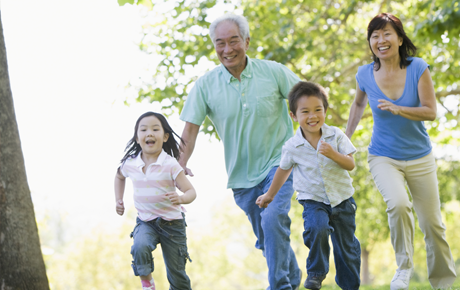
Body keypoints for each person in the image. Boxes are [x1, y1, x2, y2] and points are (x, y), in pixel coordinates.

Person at [177, 13, 301, 290]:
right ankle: (292, 276)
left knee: (272, 219)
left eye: (234, 41)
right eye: (220, 43)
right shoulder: (205, 86)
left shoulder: (274, 72)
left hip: (278, 164)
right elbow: (189, 131)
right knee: (267, 236)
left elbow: (307, 98)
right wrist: (178, 166)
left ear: (246, 41)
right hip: (241, 177)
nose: (227, 49)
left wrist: (318, 139)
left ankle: (279, 286)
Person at [345, 13, 457, 290]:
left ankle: (443, 283)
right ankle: (404, 268)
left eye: (386, 34)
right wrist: (346, 138)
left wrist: (400, 109)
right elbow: (358, 105)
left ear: (399, 38)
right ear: (370, 42)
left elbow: (430, 112)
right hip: (383, 156)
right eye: (374, 36)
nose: (380, 41)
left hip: (420, 157)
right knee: (397, 204)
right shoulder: (364, 74)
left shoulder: (418, 68)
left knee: (433, 225)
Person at [256, 82, 362, 290]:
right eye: (305, 111)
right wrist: (269, 195)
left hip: (342, 199)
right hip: (313, 200)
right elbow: (283, 170)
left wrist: (333, 154)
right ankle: (316, 273)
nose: (312, 116)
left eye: (318, 110)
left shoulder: (336, 136)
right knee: (317, 228)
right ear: (293, 115)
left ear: (325, 110)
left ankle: (350, 286)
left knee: (346, 248)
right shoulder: (292, 146)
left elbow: (350, 164)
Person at [114, 112, 197, 290]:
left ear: (165, 136)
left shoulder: (170, 164)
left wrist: (181, 198)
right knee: (139, 247)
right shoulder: (130, 163)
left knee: (177, 275)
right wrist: (118, 200)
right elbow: (119, 176)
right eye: (143, 129)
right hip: (146, 222)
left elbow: (191, 191)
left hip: (172, 225)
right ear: (137, 138)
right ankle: (147, 285)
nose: (149, 133)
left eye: (155, 129)